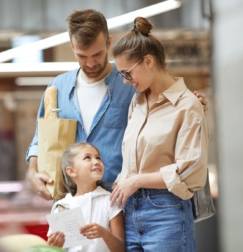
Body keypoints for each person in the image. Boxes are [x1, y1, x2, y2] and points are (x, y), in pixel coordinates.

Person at [25, 9, 208, 200]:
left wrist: (193, 103)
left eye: (97, 54)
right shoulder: (56, 89)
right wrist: (32, 172)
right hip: (72, 202)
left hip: (121, 201)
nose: (90, 63)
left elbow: (170, 113)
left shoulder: (133, 85)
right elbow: (39, 141)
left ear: (109, 43)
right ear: (71, 46)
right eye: (82, 56)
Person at [109, 17, 209, 251]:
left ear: (148, 61)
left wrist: (135, 181)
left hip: (166, 213)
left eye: (127, 73)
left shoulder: (188, 105)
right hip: (130, 211)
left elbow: (191, 170)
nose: (125, 82)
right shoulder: (137, 103)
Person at [47, 142, 125, 252]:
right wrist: (53, 246)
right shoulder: (61, 206)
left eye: (98, 157)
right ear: (71, 171)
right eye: (87, 157)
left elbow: (121, 249)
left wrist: (104, 233)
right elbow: (54, 248)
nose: (97, 162)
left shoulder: (111, 201)